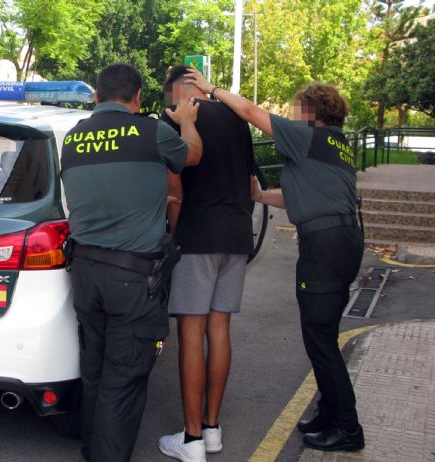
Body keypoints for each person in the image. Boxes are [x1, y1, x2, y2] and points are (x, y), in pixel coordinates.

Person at [184, 70, 365, 452]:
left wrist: (210, 88)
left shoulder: (309, 135)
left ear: (313, 112)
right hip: (344, 239)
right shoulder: (337, 144)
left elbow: (250, 111)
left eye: (299, 109)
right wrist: (262, 197)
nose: (294, 116)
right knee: (324, 333)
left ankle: (347, 428)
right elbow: (309, 196)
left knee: (320, 337)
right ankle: (329, 414)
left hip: (325, 246)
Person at [60, 63, 203, 462]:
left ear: (96, 97)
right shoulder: (152, 132)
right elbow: (191, 156)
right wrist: (188, 122)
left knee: (95, 369)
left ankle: (91, 448)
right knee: (123, 378)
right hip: (134, 277)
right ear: (138, 97)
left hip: (85, 273)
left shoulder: (73, 138)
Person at [157, 65, 256, 462]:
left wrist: (177, 237)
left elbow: (175, 189)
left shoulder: (178, 121)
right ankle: (212, 428)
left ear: (179, 92)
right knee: (220, 328)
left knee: (190, 333)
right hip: (236, 235)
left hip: (198, 235)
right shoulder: (236, 119)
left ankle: (192, 439)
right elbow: (251, 184)